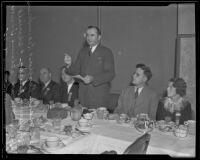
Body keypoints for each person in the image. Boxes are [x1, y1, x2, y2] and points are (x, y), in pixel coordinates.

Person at [65, 25, 115, 109]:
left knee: (97, 121)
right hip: (83, 95)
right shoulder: (82, 52)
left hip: (99, 96)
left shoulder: (106, 52)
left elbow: (110, 74)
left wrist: (93, 78)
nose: (89, 38)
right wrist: (69, 64)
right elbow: (75, 70)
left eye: (92, 35)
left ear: (99, 37)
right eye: (87, 35)